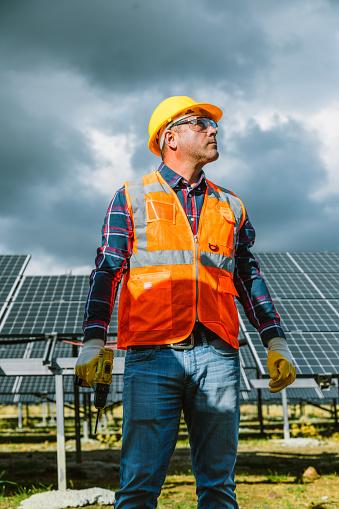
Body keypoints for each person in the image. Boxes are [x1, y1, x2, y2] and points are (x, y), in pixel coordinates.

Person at [75, 96, 296, 508]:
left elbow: (248, 277)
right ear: (170, 137)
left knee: (218, 486)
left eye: (214, 125)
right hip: (153, 355)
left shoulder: (231, 204)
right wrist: (92, 340)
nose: (214, 130)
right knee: (139, 487)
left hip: (218, 354)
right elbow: (106, 269)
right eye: (202, 123)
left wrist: (275, 341)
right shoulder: (131, 196)